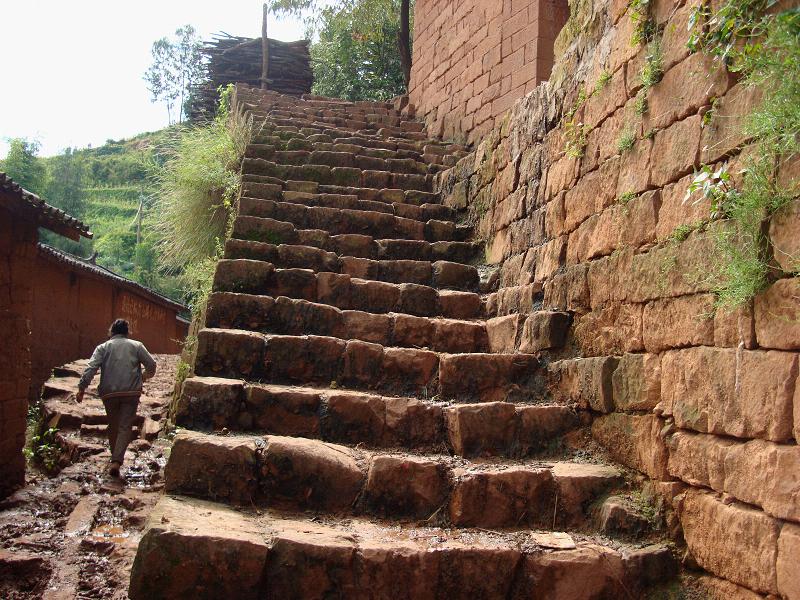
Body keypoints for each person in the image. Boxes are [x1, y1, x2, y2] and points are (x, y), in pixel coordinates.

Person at [76, 319, 157, 478]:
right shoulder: (136, 346)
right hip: (130, 393)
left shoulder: (103, 347)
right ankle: (116, 460)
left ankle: (115, 457)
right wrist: (143, 377)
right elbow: (152, 365)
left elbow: (91, 367)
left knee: (113, 425)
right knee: (125, 426)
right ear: (127, 332)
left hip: (109, 394)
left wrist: (82, 388)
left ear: (111, 331)